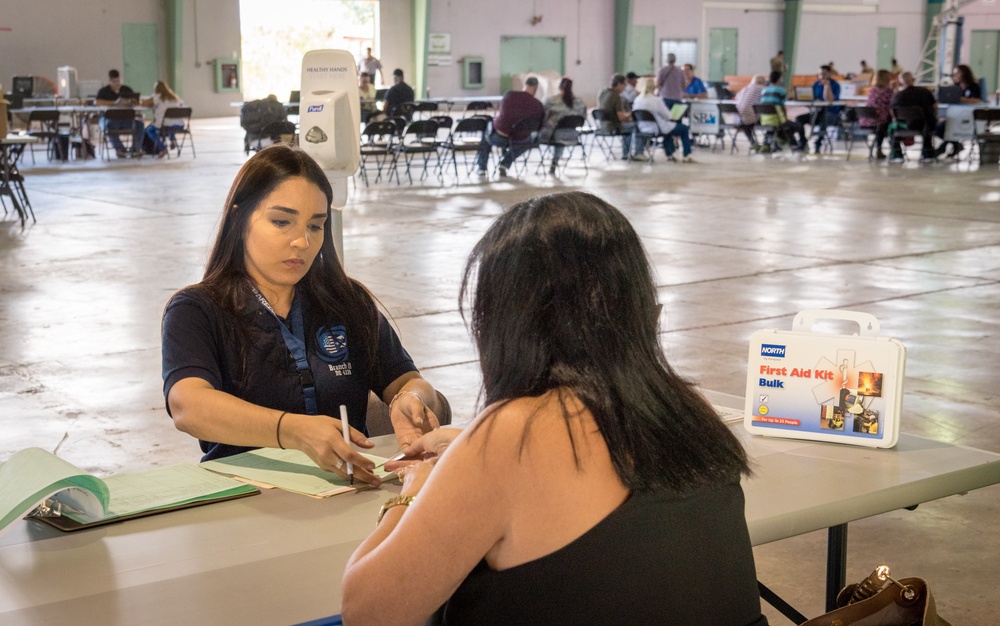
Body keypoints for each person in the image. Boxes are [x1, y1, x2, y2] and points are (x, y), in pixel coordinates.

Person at [341, 191, 768, 626]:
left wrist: (417, 489)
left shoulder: (512, 436)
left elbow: (367, 612)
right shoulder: (688, 408)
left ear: (507, 321)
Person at [160, 144, 442, 479]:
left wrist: (410, 399)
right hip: (244, 494)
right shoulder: (197, 310)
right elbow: (189, 406)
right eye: (282, 222)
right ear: (238, 218)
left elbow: (408, 380)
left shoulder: (346, 300)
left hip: (347, 486)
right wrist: (293, 432)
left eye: (315, 226)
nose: (302, 242)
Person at [475, 76, 545, 177]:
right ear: (536, 88)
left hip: (499, 137)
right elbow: (539, 126)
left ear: (524, 85)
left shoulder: (510, 95)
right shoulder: (538, 105)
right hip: (520, 141)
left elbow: (502, 114)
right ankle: (505, 163)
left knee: (486, 132)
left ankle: (482, 168)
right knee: (530, 141)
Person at [633, 78, 694, 162]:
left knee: (668, 130)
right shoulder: (656, 100)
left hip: (642, 128)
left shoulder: (637, 100)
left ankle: (670, 154)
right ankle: (686, 155)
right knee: (683, 129)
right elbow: (668, 116)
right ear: (654, 88)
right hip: (658, 128)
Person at [538, 77, 586, 174]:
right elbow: (583, 117)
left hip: (555, 136)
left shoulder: (552, 101)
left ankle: (553, 164)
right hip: (574, 136)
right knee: (562, 130)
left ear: (559, 87)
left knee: (536, 136)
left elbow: (543, 118)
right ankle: (554, 163)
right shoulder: (580, 102)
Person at [934, 64, 983, 158]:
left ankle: (944, 147)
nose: (955, 76)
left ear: (964, 73)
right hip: (954, 115)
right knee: (939, 129)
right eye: (954, 74)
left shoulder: (974, 86)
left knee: (950, 128)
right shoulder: (954, 88)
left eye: (957, 73)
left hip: (967, 116)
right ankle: (956, 144)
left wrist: (962, 99)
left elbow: (977, 100)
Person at [598, 73, 649, 162]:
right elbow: (621, 117)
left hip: (602, 125)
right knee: (637, 126)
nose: (625, 87)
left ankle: (626, 153)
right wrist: (630, 115)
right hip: (613, 126)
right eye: (624, 84)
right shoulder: (616, 96)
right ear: (618, 84)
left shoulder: (602, 92)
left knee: (628, 126)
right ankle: (638, 153)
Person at [95, 69, 145, 158]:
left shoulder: (126, 89)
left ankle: (136, 149)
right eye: (114, 81)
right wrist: (114, 103)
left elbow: (136, 102)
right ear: (109, 81)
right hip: (109, 118)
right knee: (109, 126)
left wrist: (132, 101)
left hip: (125, 118)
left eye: (118, 81)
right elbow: (97, 102)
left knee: (139, 124)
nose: (117, 83)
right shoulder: (103, 91)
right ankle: (120, 149)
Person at [888, 71, 937, 163]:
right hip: (924, 125)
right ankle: (927, 154)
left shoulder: (898, 96)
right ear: (913, 80)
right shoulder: (925, 92)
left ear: (901, 82)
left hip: (905, 125)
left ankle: (897, 154)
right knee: (928, 124)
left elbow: (892, 112)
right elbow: (934, 108)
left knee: (892, 127)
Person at [795, 64, 841, 154]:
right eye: (820, 74)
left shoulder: (835, 85)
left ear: (829, 74)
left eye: (824, 74)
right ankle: (803, 142)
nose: (821, 76)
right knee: (799, 119)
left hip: (831, 113)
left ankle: (818, 143)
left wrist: (827, 87)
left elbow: (829, 100)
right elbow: (812, 98)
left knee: (824, 119)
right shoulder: (816, 84)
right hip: (817, 112)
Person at [760, 71, 807, 151]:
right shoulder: (781, 90)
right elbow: (782, 107)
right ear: (779, 79)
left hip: (764, 120)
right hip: (776, 120)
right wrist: (784, 119)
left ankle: (784, 142)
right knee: (798, 126)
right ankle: (802, 144)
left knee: (786, 127)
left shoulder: (764, 90)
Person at [140, 80, 184, 158]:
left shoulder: (158, 96)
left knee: (149, 130)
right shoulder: (174, 97)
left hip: (165, 126)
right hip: (180, 125)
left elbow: (144, 103)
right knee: (171, 123)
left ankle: (162, 148)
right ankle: (172, 139)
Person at [861, 69, 893, 159]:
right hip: (878, 121)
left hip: (865, 121)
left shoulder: (872, 91)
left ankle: (879, 149)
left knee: (883, 125)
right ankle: (895, 149)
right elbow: (893, 103)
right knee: (890, 125)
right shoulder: (888, 91)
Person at [733, 75, 765, 147]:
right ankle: (769, 143)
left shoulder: (745, 88)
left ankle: (753, 144)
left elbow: (737, 98)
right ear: (763, 82)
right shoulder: (762, 89)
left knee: (746, 124)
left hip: (739, 119)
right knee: (771, 120)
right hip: (752, 118)